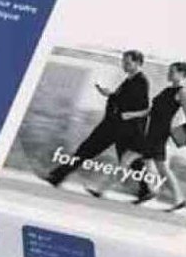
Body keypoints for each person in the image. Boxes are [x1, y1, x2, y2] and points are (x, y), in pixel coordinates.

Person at [44, 50, 149, 189]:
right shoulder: (130, 80)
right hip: (113, 124)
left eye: (128, 63)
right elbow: (125, 100)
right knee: (86, 150)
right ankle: (57, 176)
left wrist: (112, 95)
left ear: (138, 63)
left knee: (129, 161)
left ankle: (146, 189)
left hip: (123, 128)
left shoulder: (141, 82)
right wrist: (110, 94)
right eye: (123, 62)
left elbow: (140, 107)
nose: (124, 65)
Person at [132, 61, 186, 211]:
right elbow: (152, 110)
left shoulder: (182, 93)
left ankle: (174, 198)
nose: (168, 74)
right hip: (152, 130)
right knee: (152, 163)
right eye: (169, 71)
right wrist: (132, 114)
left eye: (172, 72)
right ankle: (154, 191)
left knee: (158, 166)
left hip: (160, 133)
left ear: (182, 74)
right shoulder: (167, 90)